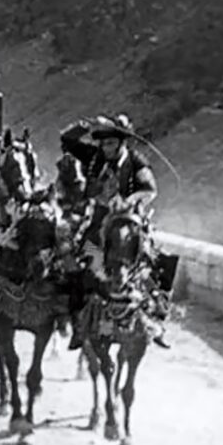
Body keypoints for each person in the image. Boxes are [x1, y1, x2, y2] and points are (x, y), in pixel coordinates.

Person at [59, 112, 171, 350]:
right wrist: (86, 125)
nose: (106, 148)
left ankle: (159, 319)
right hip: (98, 221)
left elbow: (149, 189)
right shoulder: (94, 157)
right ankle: (79, 322)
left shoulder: (136, 161)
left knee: (160, 261)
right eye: (104, 143)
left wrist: (128, 201)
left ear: (121, 143)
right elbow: (67, 140)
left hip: (129, 220)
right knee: (79, 261)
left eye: (111, 143)